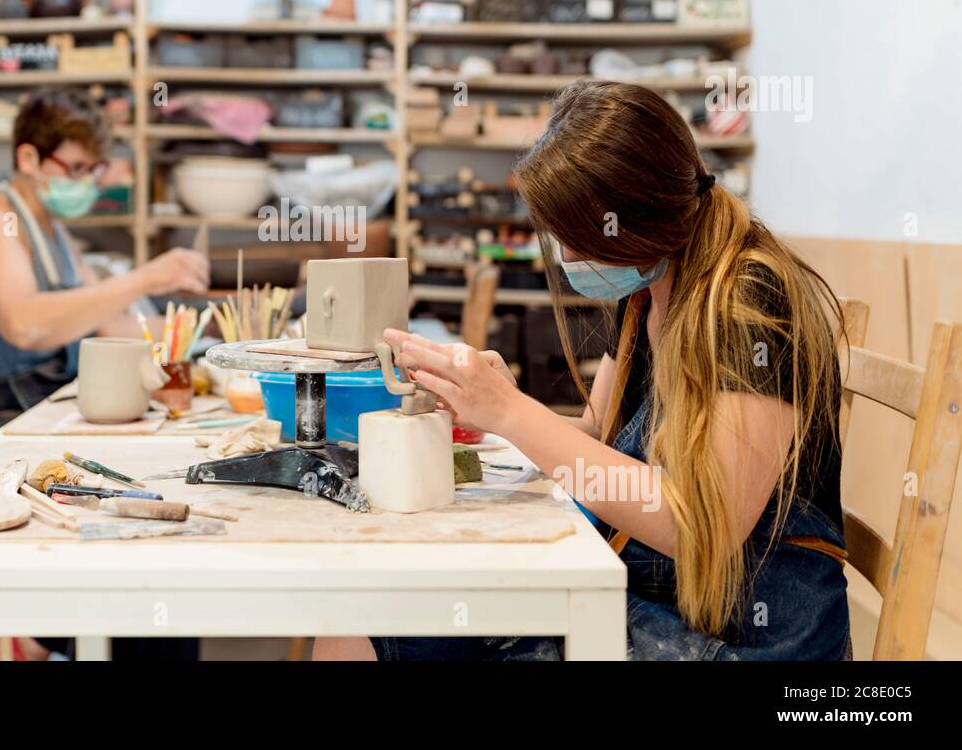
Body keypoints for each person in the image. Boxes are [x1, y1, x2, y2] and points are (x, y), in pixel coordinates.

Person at [316, 81, 850, 661]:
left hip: (748, 629)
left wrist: (512, 414)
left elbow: (702, 529)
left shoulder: (748, 301)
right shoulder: (651, 287)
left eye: (578, 236)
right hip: (656, 584)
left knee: (383, 628)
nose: (568, 257)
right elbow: (599, 435)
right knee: (363, 614)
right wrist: (494, 408)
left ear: (638, 219)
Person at [0, 89, 208, 477]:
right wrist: (144, 278)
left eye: (94, 170)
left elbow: (110, 326)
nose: (87, 183)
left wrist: (205, 332)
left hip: (30, 412)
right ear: (29, 158)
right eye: (76, 169)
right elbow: (25, 325)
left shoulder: (53, 230)